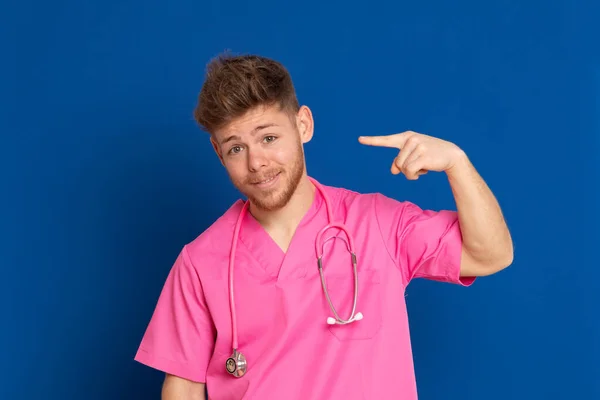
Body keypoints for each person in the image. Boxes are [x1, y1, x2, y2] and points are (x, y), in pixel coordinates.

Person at [134, 53, 514, 400]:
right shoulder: (200, 263)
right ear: (219, 153)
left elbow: (490, 255)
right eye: (236, 148)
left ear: (303, 125)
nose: (256, 163)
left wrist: (457, 165)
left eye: (269, 137)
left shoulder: (378, 223)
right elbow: (182, 386)